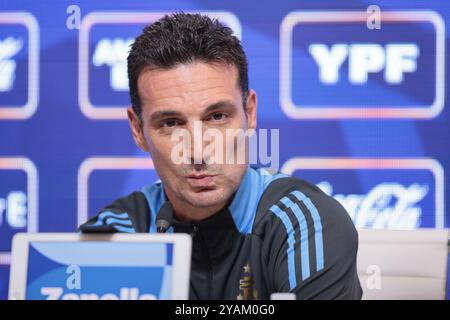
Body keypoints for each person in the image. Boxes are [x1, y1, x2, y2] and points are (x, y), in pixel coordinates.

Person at [79, 12, 362, 300]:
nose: (198, 151)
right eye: (171, 123)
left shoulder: (305, 223)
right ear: (138, 130)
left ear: (249, 112)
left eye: (217, 117)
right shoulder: (118, 232)